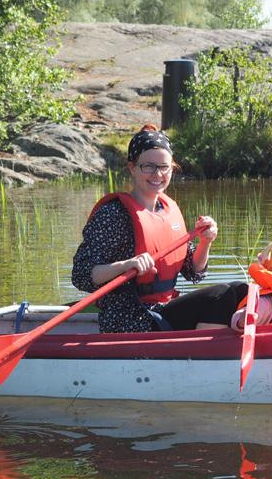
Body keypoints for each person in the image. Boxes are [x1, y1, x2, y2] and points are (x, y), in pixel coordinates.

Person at [72, 124, 246, 333]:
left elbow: (193, 272)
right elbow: (82, 275)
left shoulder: (168, 209)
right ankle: (201, 356)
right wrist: (126, 265)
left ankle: (205, 353)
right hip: (131, 319)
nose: (158, 174)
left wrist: (205, 242)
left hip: (163, 309)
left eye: (164, 167)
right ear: (132, 168)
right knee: (220, 296)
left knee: (238, 290)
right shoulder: (114, 214)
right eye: (148, 166)